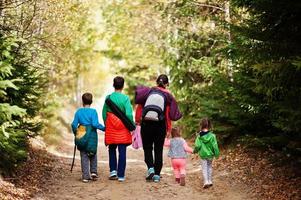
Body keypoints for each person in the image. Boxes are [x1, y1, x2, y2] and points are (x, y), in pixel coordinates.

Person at [135, 74, 182, 183]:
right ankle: (156, 175)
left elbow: (140, 109)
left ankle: (150, 168)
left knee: (147, 148)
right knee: (158, 149)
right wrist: (168, 129)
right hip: (160, 125)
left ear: (156, 82)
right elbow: (168, 115)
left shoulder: (148, 92)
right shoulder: (168, 95)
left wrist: (138, 121)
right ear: (167, 84)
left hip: (146, 123)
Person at [102, 76, 134, 182]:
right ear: (123, 86)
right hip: (123, 127)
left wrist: (107, 125)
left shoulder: (108, 98)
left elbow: (104, 113)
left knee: (111, 148)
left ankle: (113, 171)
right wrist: (131, 125)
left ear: (113, 85)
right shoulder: (125, 98)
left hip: (111, 125)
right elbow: (129, 114)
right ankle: (121, 175)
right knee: (122, 150)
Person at [71, 93, 105, 183]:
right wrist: (104, 128)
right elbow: (95, 124)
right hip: (92, 134)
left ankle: (85, 176)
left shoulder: (79, 112)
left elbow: (74, 124)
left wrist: (76, 133)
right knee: (93, 152)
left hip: (81, 132)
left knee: (84, 154)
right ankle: (93, 172)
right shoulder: (93, 111)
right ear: (91, 102)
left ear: (82, 102)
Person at [193, 118, 220, 188]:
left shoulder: (199, 136)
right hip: (211, 154)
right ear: (209, 125)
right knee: (209, 167)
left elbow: (197, 145)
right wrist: (217, 154)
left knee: (204, 168)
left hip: (203, 154)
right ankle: (210, 180)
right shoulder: (212, 136)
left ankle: (206, 181)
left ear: (201, 125)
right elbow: (215, 145)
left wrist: (195, 151)